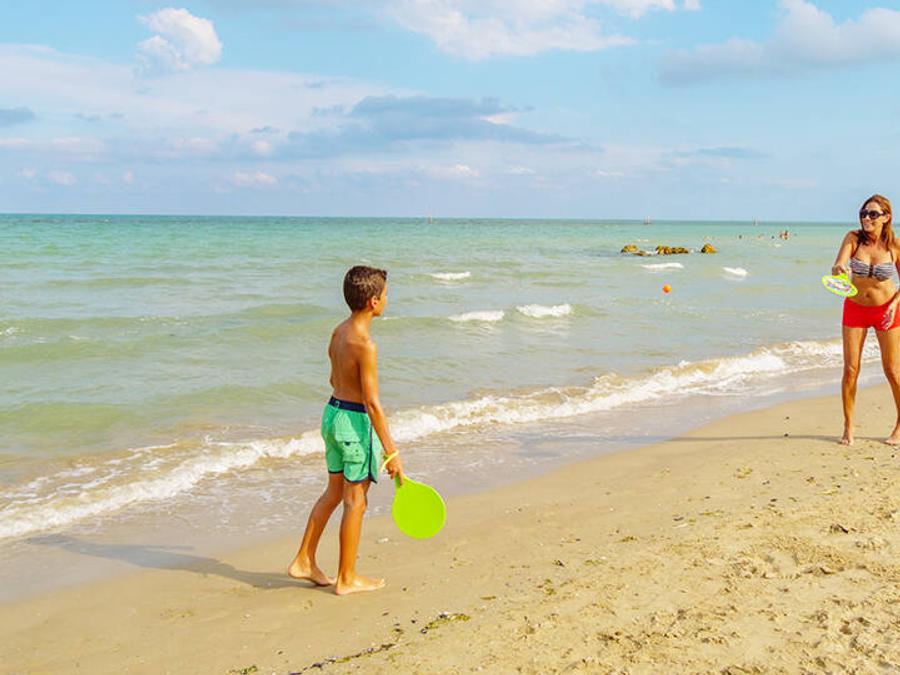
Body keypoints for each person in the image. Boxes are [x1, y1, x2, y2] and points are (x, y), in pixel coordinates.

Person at [288, 265, 405, 595]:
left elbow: (333, 378)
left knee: (333, 493)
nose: (387, 299)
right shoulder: (366, 344)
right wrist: (392, 452)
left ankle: (304, 560)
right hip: (354, 423)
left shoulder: (338, 332)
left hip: (332, 414)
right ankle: (347, 577)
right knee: (356, 502)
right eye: (385, 295)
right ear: (373, 301)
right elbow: (372, 403)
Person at [831, 194, 900, 446]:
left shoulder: (894, 245)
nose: (866, 218)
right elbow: (838, 265)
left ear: (886, 217)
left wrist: (893, 305)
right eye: (863, 213)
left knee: (892, 370)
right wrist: (839, 270)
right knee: (851, 369)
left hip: (886, 311)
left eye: (872, 214)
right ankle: (848, 425)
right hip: (855, 309)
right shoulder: (853, 238)